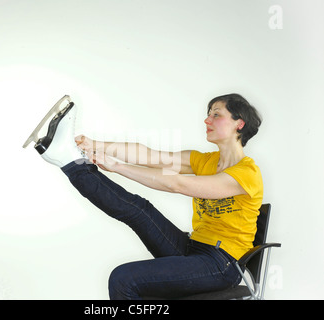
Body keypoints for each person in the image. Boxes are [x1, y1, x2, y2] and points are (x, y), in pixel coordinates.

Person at [27, 93, 263, 299]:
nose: (206, 120)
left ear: (238, 124)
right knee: (140, 210)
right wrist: (95, 144)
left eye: (216, 115)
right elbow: (151, 157)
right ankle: (68, 159)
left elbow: (177, 184)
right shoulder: (204, 161)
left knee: (123, 279)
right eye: (208, 114)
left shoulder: (246, 174)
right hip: (192, 248)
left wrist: (117, 166)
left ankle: (67, 158)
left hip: (221, 265)